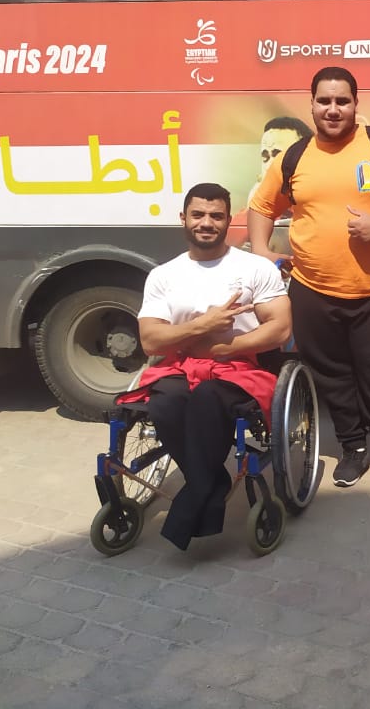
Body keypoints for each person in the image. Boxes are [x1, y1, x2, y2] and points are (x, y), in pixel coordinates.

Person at [247, 67, 370, 488]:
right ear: (312, 105)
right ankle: (352, 448)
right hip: (312, 289)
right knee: (331, 374)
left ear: (355, 103)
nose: (333, 110)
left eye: (342, 101)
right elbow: (261, 206)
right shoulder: (294, 156)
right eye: (325, 101)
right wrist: (261, 250)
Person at [129, 183, 291, 551]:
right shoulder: (164, 275)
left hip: (239, 367)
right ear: (183, 218)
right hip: (179, 365)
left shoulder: (254, 268)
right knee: (164, 404)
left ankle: (192, 504)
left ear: (228, 221)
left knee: (205, 398)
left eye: (216, 216)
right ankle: (213, 482)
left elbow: (280, 328)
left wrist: (222, 348)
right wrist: (203, 326)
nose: (207, 222)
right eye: (198, 215)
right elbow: (151, 341)